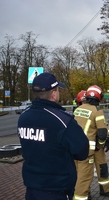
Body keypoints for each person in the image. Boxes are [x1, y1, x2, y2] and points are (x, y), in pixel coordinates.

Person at [17, 72, 89, 200]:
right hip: (57, 189)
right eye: (58, 90)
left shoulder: (23, 117)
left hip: (32, 188)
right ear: (54, 93)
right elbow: (82, 151)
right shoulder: (63, 120)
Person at [73, 85, 109, 200]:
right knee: (86, 175)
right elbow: (102, 132)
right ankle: (84, 194)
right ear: (99, 98)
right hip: (92, 148)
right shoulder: (97, 111)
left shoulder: (78, 110)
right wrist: (102, 144)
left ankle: (94, 191)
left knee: (80, 173)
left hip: (77, 148)